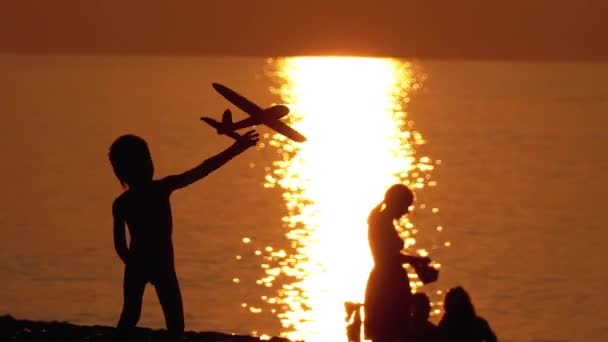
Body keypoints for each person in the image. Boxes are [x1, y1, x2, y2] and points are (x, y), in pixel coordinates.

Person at [109, 130, 259, 340]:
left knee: (134, 315)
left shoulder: (124, 202)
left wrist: (133, 262)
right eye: (145, 161)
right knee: (171, 320)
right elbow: (202, 169)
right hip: (160, 264)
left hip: (142, 264)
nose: (149, 166)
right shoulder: (159, 190)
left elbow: (120, 246)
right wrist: (237, 148)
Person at [364, 184, 433, 342]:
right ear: (397, 203)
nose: (406, 211)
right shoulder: (381, 223)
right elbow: (387, 257)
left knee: (391, 331)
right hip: (387, 284)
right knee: (391, 331)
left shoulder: (380, 221)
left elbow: (389, 254)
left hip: (387, 279)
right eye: (406, 206)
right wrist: (414, 260)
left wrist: (414, 261)